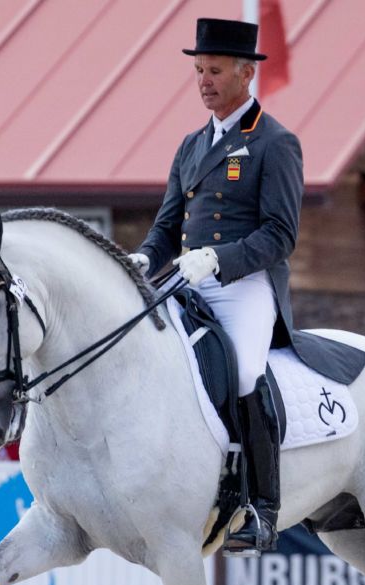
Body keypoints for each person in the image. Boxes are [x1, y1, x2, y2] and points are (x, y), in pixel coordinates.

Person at [128, 17, 302, 555]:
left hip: (244, 285)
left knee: (246, 371)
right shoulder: (190, 145)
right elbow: (167, 224)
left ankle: (261, 506)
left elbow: (281, 233)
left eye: (215, 70)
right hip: (186, 280)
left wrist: (219, 259)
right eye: (199, 70)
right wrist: (142, 257)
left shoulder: (275, 142)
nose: (204, 80)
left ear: (247, 73)